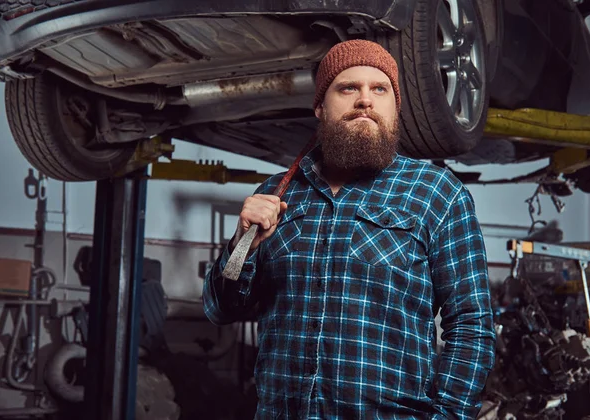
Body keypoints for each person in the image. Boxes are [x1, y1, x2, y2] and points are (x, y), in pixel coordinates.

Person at [203, 39, 496, 419]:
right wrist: (242, 246)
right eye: (348, 88)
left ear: (396, 107)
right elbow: (218, 309)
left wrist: (449, 416)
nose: (365, 100)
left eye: (380, 89)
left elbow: (472, 327)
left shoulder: (437, 194)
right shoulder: (276, 194)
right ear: (320, 108)